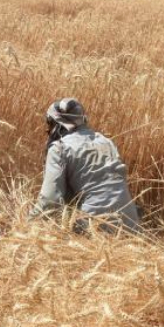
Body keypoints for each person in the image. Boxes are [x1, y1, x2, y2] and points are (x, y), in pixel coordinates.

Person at [30, 98, 141, 233]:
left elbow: (50, 200)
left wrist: (27, 225)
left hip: (95, 226)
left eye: (50, 124)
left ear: (58, 124)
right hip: (130, 223)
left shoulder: (60, 148)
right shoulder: (106, 141)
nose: (48, 130)